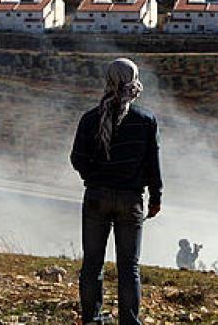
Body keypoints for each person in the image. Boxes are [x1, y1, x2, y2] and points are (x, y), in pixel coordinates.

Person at [70, 58, 163, 325]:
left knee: (92, 264)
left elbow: (77, 158)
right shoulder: (146, 121)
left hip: (96, 196)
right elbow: (152, 164)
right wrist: (156, 197)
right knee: (129, 267)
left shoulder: (90, 119)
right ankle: (129, 321)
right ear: (133, 82)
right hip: (131, 199)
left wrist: (94, 178)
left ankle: (92, 318)